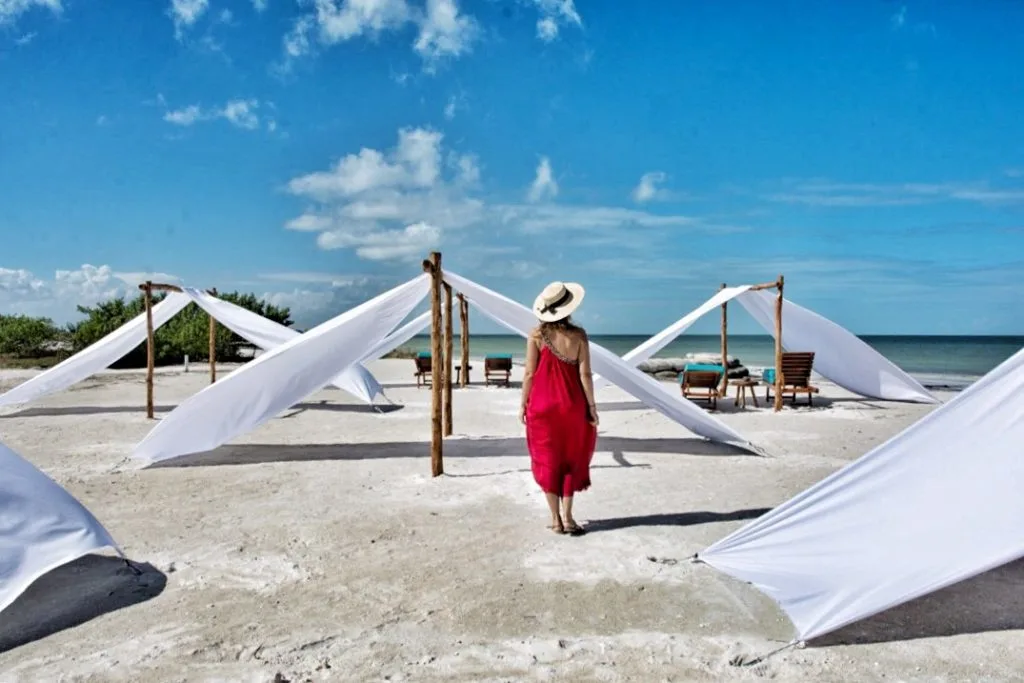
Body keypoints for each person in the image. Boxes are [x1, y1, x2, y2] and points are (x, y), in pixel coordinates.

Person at [519, 281, 599, 536]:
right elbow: (585, 375)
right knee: (569, 460)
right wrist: (592, 407)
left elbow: (530, 373)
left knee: (547, 460)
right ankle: (568, 517)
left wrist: (523, 402)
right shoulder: (579, 336)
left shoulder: (535, 336)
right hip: (572, 406)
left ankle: (555, 519)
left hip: (542, 407)